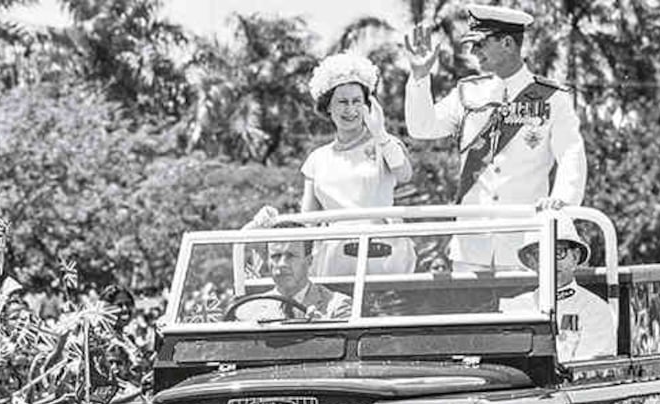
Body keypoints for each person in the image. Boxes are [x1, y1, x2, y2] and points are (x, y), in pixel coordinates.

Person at [404, 4, 587, 269]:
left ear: (508, 42)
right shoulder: (467, 93)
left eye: (479, 44)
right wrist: (420, 76)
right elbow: (422, 127)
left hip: (526, 245)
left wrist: (562, 201)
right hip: (470, 248)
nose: (473, 52)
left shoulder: (553, 98)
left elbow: (571, 153)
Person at [251, 53, 414, 276]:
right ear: (328, 107)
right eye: (342, 102)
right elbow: (307, 220)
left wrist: (380, 133)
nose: (350, 110)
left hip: (381, 252)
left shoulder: (385, 144)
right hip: (334, 255)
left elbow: (404, 174)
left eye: (357, 101)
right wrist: (273, 225)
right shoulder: (317, 159)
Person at [499, 222, 615, 362]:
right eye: (541, 255)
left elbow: (587, 372)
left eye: (559, 252)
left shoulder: (595, 309)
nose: (551, 262)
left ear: (575, 257)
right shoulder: (517, 308)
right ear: (531, 263)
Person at [234, 241, 351, 321]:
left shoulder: (337, 306)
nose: (282, 264)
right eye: (276, 256)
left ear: (309, 261)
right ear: (268, 262)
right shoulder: (250, 310)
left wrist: (321, 332)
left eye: (291, 256)